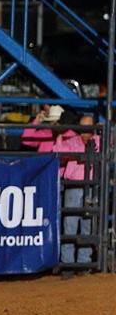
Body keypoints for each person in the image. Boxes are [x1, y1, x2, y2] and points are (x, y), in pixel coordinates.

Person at [53, 113, 101, 270]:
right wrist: (59, 135)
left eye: (88, 128)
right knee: (70, 224)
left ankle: (83, 262)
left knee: (87, 225)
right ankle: (68, 263)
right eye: (82, 128)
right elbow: (57, 151)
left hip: (92, 187)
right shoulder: (73, 141)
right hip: (74, 186)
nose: (84, 132)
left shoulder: (100, 141)